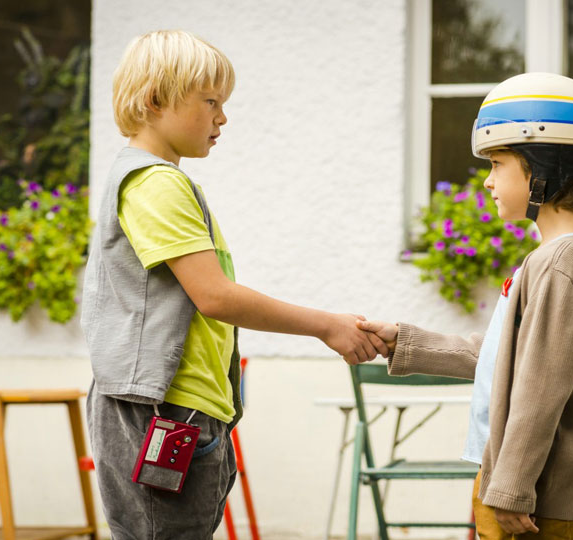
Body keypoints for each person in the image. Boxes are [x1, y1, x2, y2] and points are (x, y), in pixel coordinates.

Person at [80, 30, 386, 539]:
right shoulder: (154, 183)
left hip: (186, 412)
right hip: (163, 415)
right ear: (156, 100)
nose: (222, 117)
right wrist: (326, 326)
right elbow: (214, 295)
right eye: (211, 102)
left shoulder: (167, 183)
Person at [358, 72, 573, 539]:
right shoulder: (552, 259)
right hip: (513, 483)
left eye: (498, 164)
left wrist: (512, 489)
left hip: (539, 497)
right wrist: (407, 342)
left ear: (543, 168)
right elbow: (506, 359)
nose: (488, 181)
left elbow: (541, 388)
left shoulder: (563, 265)